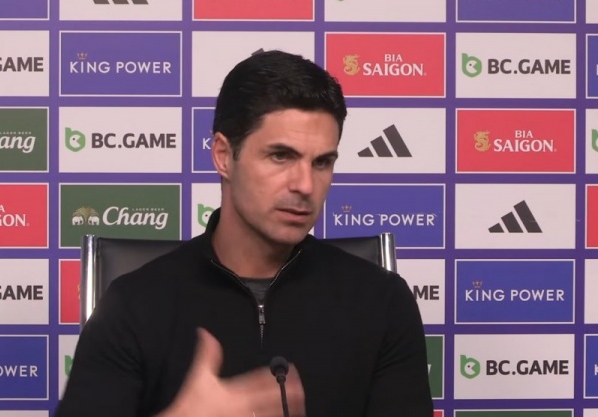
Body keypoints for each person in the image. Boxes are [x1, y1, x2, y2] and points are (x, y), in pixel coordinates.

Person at [55, 50, 433, 417]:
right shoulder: (133, 305)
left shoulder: (382, 302)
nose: (305, 185)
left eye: (322, 162)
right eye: (280, 156)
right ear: (223, 155)